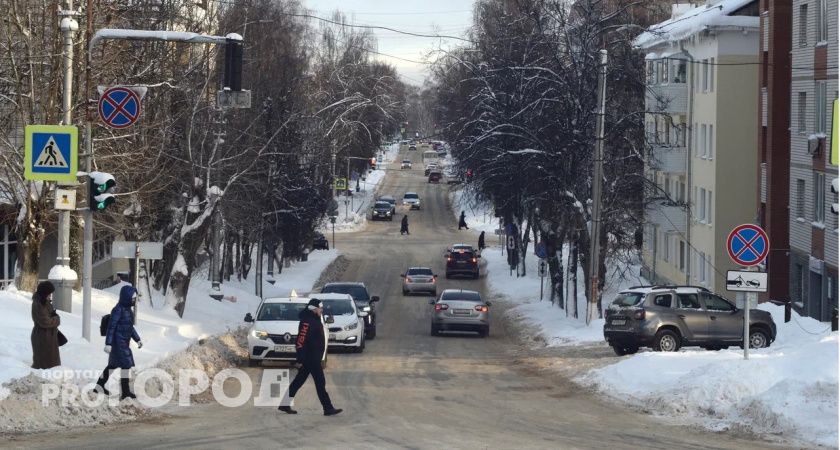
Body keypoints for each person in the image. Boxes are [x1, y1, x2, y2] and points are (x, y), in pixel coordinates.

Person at [279, 298, 342, 416]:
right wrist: (300, 357)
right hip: (311, 358)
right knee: (320, 383)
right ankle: (328, 408)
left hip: (313, 357)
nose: (322, 310)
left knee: (298, 381)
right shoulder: (307, 321)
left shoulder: (314, 319)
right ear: (314, 309)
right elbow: (300, 340)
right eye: (320, 308)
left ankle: (284, 404)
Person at [95, 285, 143, 400]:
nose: (134, 300)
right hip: (118, 343)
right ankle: (125, 392)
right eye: (133, 298)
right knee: (126, 365)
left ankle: (99, 386)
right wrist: (108, 343)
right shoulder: (118, 310)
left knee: (112, 365)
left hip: (124, 342)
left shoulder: (128, 311)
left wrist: (138, 339)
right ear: (126, 297)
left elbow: (130, 328)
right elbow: (111, 327)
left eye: (134, 298)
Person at [31, 281, 61, 369]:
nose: (50, 295)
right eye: (49, 293)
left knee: (52, 364)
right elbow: (45, 322)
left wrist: (54, 317)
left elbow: (51, 316)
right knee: (44, 365)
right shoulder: (37, 304)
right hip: (42, 337)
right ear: (44, 293)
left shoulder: (45, 302)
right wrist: (57, 319)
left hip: (48, 336)